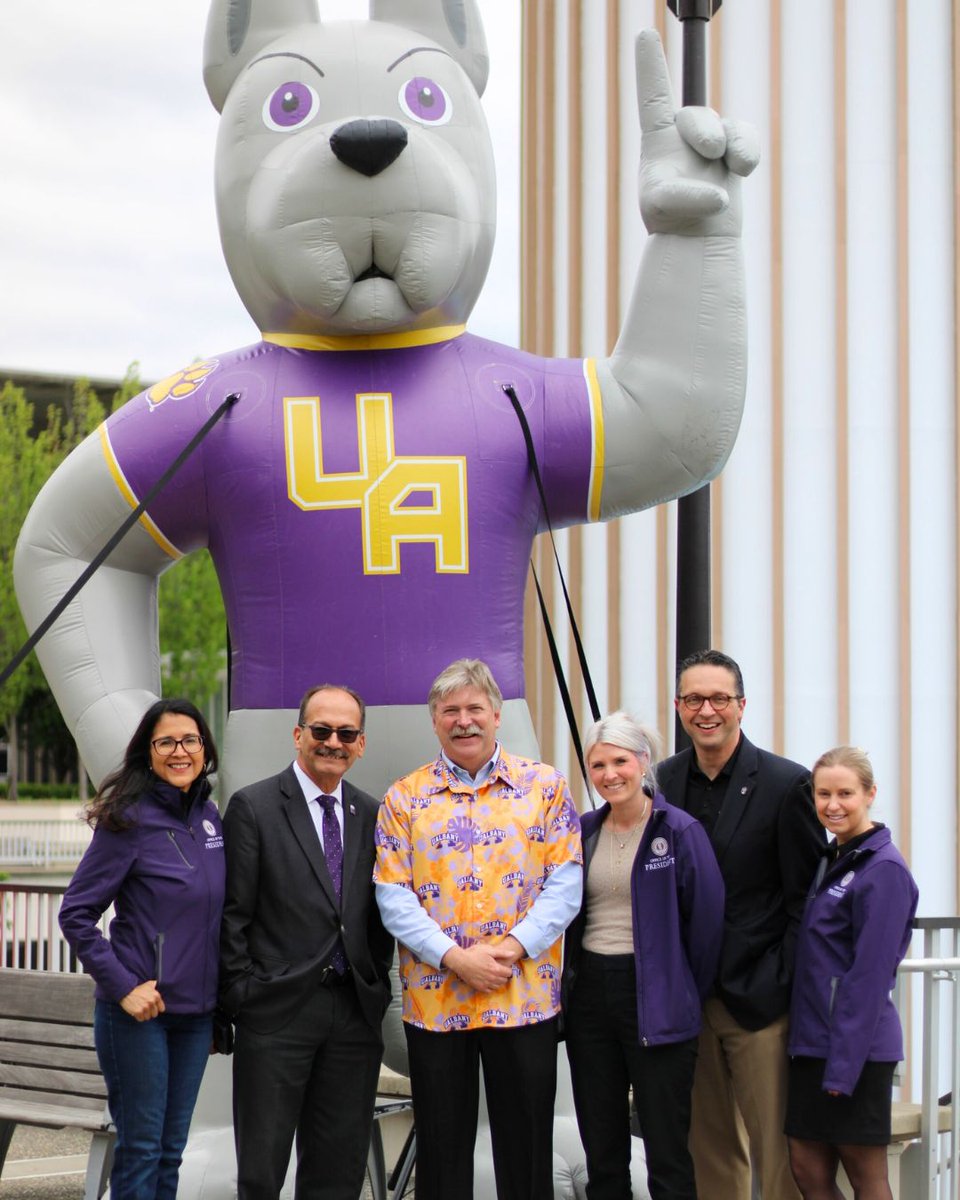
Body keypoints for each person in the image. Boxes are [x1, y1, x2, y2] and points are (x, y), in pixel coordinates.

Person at [374, 658, 583, 1200]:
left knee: (527, 1147)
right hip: (438, 1001)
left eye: (474, 709)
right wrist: (455, 958)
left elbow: (565, 885)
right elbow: (392, 896)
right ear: (435, 720)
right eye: (450, 711)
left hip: (524, 997)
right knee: (442, 1153)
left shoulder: (545, 788)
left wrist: (512, 949)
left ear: (496, 714)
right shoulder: (404, 799)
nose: (463, 721)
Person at [657, 649, 825, 1200]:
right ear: (679, 707)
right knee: (709, 1151)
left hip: (759, 1001)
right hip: (688, 1000)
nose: (707, 710)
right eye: (694, 699)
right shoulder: (659, 781)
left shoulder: (786, 783)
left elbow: (808, 900)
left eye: (719, 699)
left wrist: (783, 981)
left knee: (778, 1155)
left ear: (741, 706)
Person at [219, 684, 393, 1200]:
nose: (333, 742)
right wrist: (244, 995)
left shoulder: (373, 813)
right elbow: (233, 916)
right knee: (262, 1172)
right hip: (276, 1013)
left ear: (361, 744)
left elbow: (377, 915)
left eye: (346, 733)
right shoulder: (253, 808)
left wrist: (374, 982)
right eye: (321, 730)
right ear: (299, 735)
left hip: (353, 1015)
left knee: (338, 1174)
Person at [59, 698, 225, 1200]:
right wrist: (125, 987)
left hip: (195, 1017)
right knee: (141, 1152)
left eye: (190, 740)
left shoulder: (210, 818)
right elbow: (76, 914)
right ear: (148, 753)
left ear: (204, 748)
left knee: (172, 1151)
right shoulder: (127, 821)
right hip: (138, 1015)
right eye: (166, 742)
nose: (180, 751)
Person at [563, 712, 725, 1200]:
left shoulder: (679, 830)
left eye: (619, 761)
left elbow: (708, 925)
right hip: (592, 995)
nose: (610, 774)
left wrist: (677, 986)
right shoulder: (583, 829)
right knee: (602, 1144)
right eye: (598, 764)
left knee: (666, 1147)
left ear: (643, 762)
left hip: (657, 997)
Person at [785, 746, 918, 1200]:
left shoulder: (883, 870)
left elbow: (868, 977)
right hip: (812, 1043)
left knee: (866, 1176)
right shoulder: (835, 858)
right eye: (824, 794)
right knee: (806, 1167)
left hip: (854, 1050)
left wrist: (843, 1070)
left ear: (870, 794)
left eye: (845, 793)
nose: (833, 804)